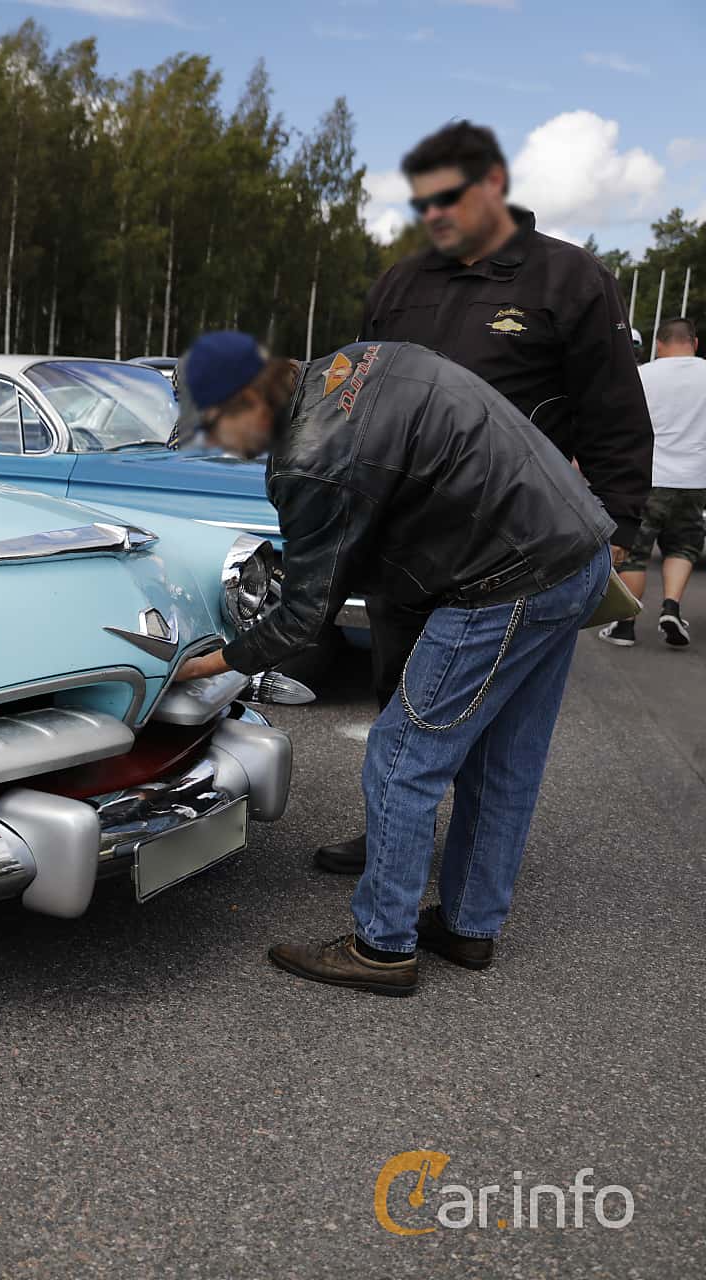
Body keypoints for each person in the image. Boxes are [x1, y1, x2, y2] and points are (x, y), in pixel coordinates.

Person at [169, 331, 614, 996]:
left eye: (212, 426)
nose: (217, 444)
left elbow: (302, 617)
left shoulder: (311, 457)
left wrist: (210, 664)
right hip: (576, 552)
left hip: (504, 579)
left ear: (248, 398)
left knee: (402, 758)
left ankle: (382, 947)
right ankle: (468, 927)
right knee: (504, 762)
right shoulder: (356, 361)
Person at [314, 120, 652, 876]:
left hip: (513, 548)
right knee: (398, 701)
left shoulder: (570, 279)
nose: (434, 213)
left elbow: (614, 410)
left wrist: (622, 521)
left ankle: (463, 880)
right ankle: (395, 838)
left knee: (495, 731)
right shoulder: (401, 284)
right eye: (422, 200)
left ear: (494, 185)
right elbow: (361, 398)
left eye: (449, 196)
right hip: (404, 543)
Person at [600, 317, 706, 647]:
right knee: (683, 545)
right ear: (695, 343)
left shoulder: (642, 375)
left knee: (634, 552)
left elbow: (620, 425)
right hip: (694, 479)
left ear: (659, 345)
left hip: (649, 476)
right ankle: (671, 607)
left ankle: (624, 626)